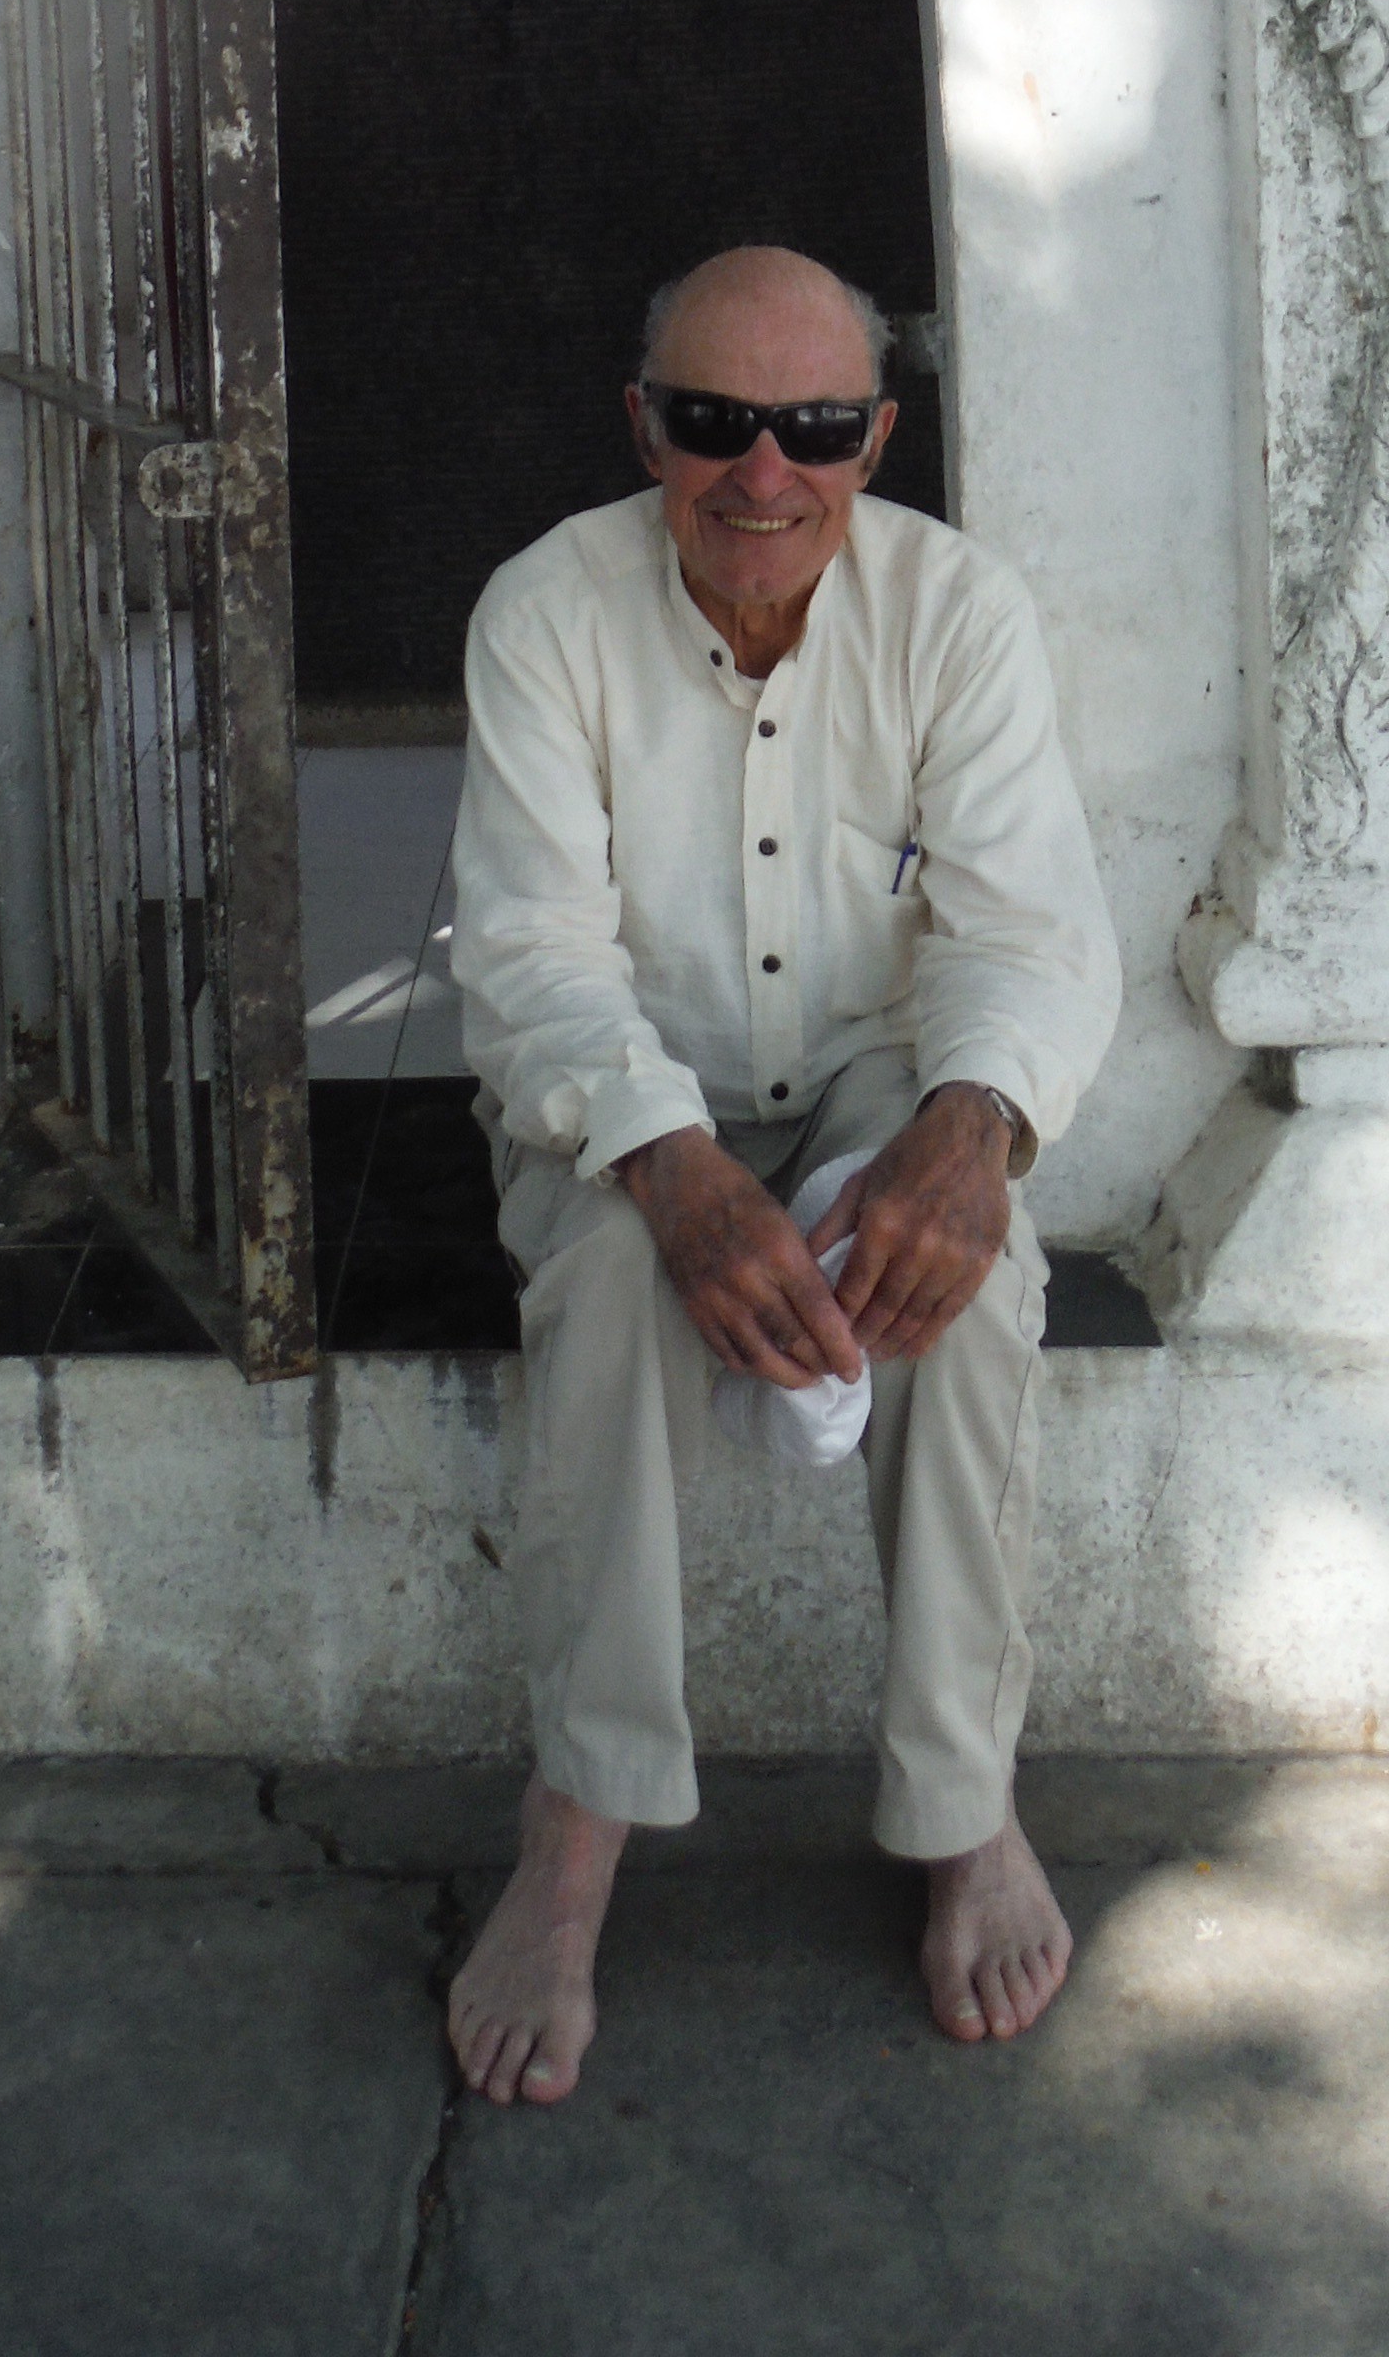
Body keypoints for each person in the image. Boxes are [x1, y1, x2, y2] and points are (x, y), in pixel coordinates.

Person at [441, 244, 1124, 2104]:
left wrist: (969, 1135)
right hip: (627, 1078)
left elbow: (1027, 932)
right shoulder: (545, 611)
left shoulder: (956, 610)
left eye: (817, 427)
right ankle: (575, 1832)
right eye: (715, 420)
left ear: (876, 440)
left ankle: (965, 1808)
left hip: (872, 1067)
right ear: (643, 427)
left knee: (973, 1290)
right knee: (603, 1281)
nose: (766, 472)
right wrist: (669, 1169)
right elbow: (533, 954)